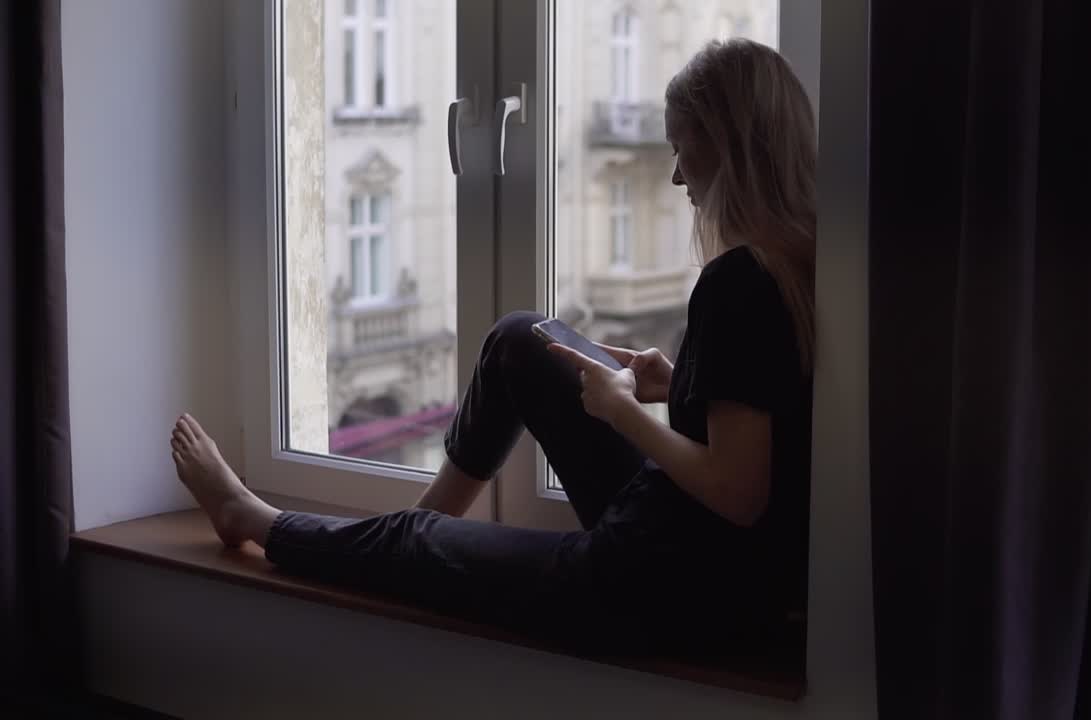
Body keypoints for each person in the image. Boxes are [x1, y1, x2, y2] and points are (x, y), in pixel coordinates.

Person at [171, 37, 816, 654]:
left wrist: (621, 410)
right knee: (521, 338)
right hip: (692, 556)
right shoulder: (796, 260)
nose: (676, 175)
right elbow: (764, 429)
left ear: (728, 146)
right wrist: (676, 384)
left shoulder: (739, 281)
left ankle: (251, 517)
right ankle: (420, 537)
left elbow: (739, 492)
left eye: (683, 148)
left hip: (657, 589)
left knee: (411, 539)